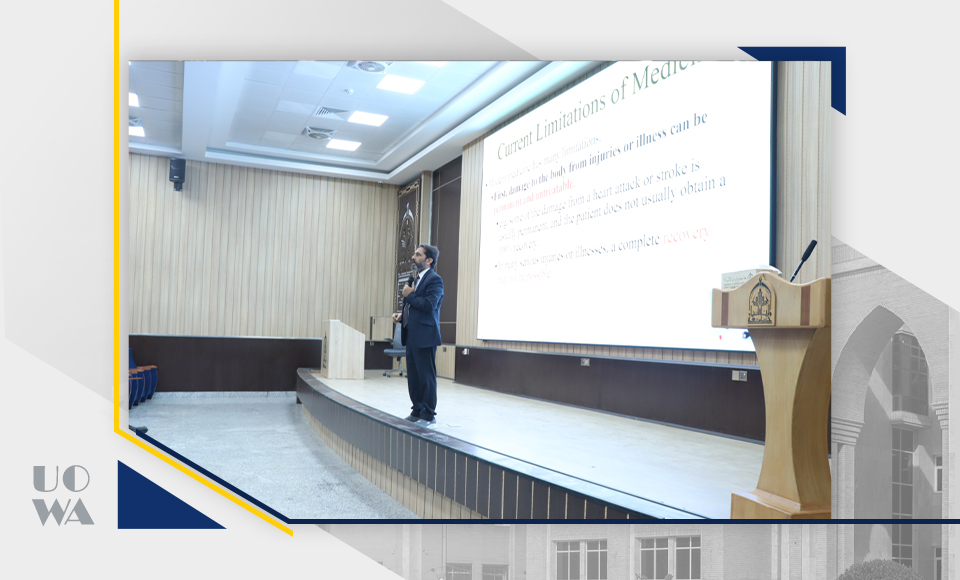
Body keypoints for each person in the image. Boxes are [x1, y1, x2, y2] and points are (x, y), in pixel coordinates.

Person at [392, 244, 443, 427]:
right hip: (412, 335)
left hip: (425, 336)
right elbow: (414, 304)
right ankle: (416, 410)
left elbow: (429, 305)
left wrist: (410, 295)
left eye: (418, 255)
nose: (413, 257)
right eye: (414, 254)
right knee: (413, 377)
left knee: (426, 377)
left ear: (429, 260)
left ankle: (428, 415)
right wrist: (402, 314)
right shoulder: (416, 279)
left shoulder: (435, 280)